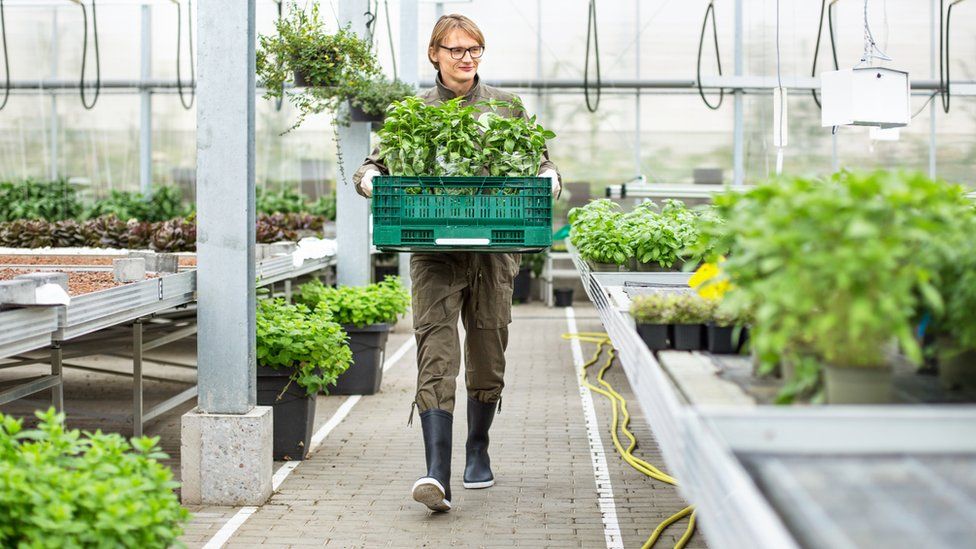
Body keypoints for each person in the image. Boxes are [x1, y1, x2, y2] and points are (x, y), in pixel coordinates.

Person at [353, 14, 560, 513]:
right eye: (456, 50)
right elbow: (376, 164)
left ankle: (478, 447)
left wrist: (550, 177)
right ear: (435, 54)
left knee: (489, 346)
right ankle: (435, 471)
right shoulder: (415, 111)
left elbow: (541, 159)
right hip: (434, 250)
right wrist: (368, 179)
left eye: (474, 50)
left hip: (495, 250)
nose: (466, 58)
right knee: (435, 348)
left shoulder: (506, 107)